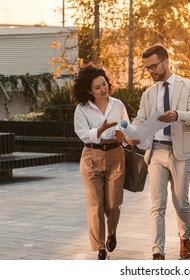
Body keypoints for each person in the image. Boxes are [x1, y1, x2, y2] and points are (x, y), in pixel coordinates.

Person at [131, 45, 190, 260]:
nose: (151, 71)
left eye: (153, 66)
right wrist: (131, 132)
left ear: (166, 62)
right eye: (147, 68)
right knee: (157, 205)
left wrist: (177, 115)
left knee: (181, 203)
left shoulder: (189, 86)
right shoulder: (148, 94)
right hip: (156, 152)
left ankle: (184, 237)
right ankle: (157, 252)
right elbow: (140, 119)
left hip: (180, 151)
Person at [73, 64, 129, 260]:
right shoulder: (82, 109)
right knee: (95, 204)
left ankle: (111, 232)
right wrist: (100, 129)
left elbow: (125, 128)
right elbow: (82, 134)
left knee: (114, 203)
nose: (103, 89)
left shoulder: (118, 105)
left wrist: (128, 136)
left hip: (116, 155)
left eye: (104, 84)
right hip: (91, 156)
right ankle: (100, 248)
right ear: (89, 90)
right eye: (97, 87)